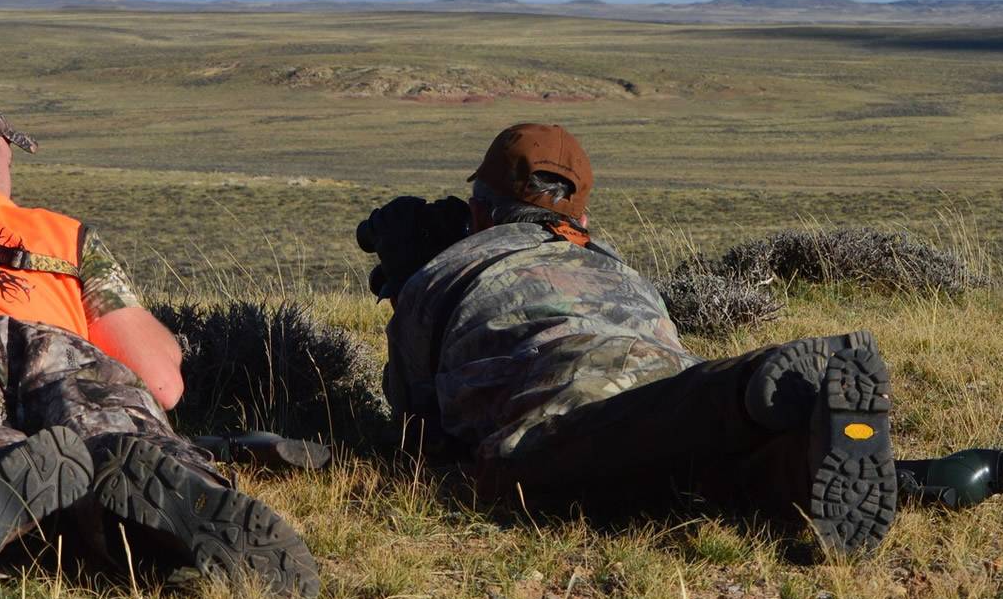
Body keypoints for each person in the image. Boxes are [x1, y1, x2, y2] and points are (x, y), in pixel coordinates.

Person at [0, 79, 319, 598]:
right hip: (56, 347)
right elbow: (163, 383)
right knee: (114, 429)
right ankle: (173, 481)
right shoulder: (58, 234)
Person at [370, 123, 897, 554]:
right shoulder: (612, 261)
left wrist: (408, 283)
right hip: (673, 383)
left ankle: (749, 384)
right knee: (709, 478)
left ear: (480, 208)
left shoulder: (446, 272)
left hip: (564, 415)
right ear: (582, 217)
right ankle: (802, 450)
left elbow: (418, 432)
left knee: (553, 470)